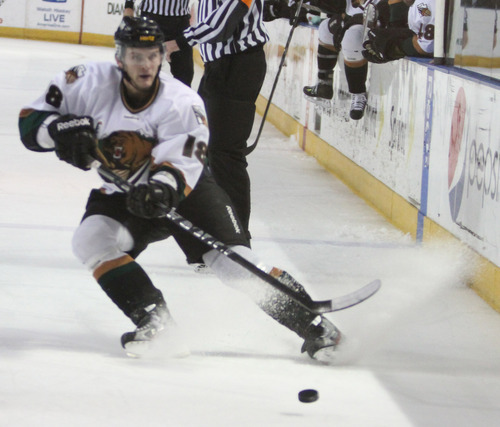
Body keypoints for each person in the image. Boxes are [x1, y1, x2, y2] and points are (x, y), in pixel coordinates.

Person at [18, 16, 341, 361]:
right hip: (126, 190)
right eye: (136, 56)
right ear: (119, 57)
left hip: (188, 191)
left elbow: (183, 166)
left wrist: (161, 190)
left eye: (152, 55)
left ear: (161, 57)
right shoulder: (84, 82)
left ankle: (316, 326)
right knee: (91, 239)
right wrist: (57, 131)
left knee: (233, 266)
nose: (145, 64)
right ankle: (155, 321)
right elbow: (30, 120)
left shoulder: (181, 102)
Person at [164, 0, 269, 242]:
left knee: (225, 154)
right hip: (220, 67)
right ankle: (219, 227)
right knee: (206, 147)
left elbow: (221, 25)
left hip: (238, 66)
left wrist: (178, 41)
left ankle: (237, 238)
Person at [302, 0, 389, 120]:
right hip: (352, 21)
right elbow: (337, 6)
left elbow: (383, 14)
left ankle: (358, 94)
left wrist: (349, 21)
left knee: (351, 38)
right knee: (325, 28)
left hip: (376, 26)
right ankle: (324, 83)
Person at [124, 0, 194, 86]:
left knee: (185, 75)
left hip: (180, 25)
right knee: (144, 72)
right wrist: (128, 6)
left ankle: (179, 99)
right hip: (151, 21)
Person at [362, 0, 434, 64]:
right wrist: (395, 30)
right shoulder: (420, 6)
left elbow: (426, 46)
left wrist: (395, 48)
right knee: (383, 7)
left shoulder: (425, 5)